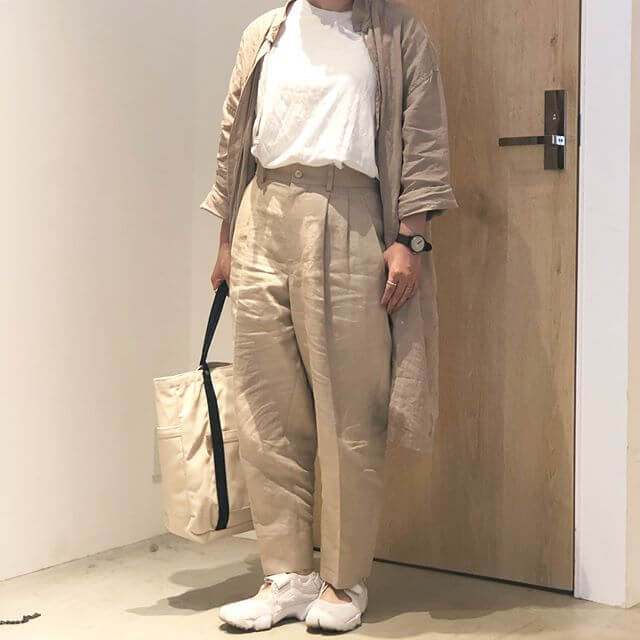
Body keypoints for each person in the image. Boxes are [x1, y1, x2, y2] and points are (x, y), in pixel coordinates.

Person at [201, 0, 458, 632]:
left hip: (349, 213)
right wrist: (228, 240)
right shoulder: (266, 32)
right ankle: (286, 575)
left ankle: (345, 581)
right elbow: (236, 137)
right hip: (263, 208)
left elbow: (423, 140)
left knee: (350, 410)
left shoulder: (399, 35)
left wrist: (411, 237)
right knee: (265, 409)